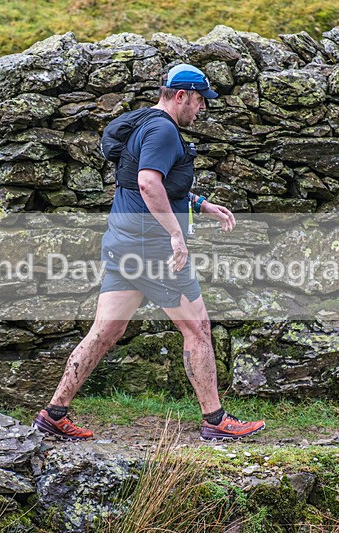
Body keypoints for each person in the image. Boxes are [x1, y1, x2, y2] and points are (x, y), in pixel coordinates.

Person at [34, 64, 265, 442]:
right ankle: (215, 420)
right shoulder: (163, 130)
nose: (202, 108)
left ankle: (54, 413)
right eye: (200, 100)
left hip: (124, 243)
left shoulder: (145, 124)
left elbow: (153, 182)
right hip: (151, 248)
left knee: (106, 330)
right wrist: (176, 235)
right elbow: (147, 182)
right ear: (180, 95)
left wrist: (200, 204)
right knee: (198, 328)